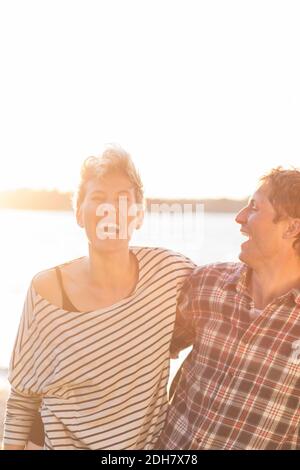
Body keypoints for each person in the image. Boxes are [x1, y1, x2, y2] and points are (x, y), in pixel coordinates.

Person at [3, 145, 195, 450]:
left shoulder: (171, 274)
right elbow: (23, 400)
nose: (111, 210)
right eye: (98, 199)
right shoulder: (45, 290)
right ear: (79, 214)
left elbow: (229, 300)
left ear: (138, 216)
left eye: (123, 199)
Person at [158, 167, 300, 450]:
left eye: (254, 207)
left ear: (292, 228)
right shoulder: (206, 284)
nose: (239, 217)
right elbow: (145, 353)